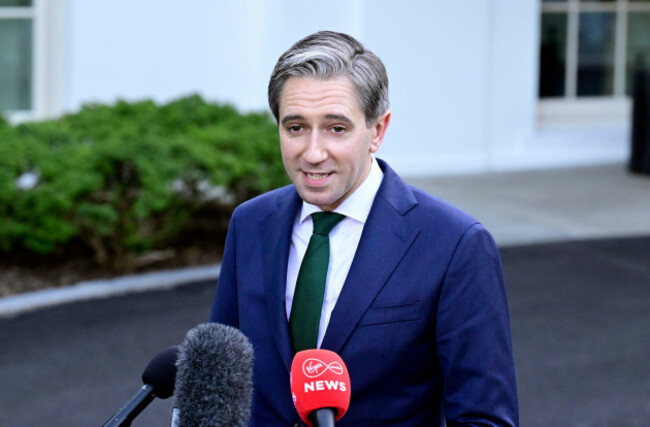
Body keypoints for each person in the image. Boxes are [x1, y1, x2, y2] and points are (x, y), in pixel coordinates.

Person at [209, 31, 518, 426]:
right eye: (296, 127)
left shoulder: (455, 244)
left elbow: (484, 419)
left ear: (377, 131)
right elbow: (218, 386)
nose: (313, 152)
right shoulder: (250, 224)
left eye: (336, 128)